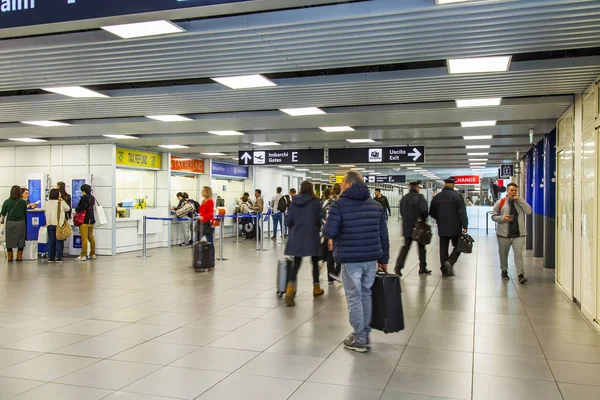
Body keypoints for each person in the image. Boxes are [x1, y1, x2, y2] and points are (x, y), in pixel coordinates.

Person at [323, 171, 389, 353]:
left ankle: (359, 338)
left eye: (343, 182)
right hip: (371, 258)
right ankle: (363, 333)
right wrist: (384, 259)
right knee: (365, 294)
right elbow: (383, 235)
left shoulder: (339, 206)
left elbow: (329, 232)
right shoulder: (376, 206)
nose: (341, 185)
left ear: (349, 184)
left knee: (353, 297)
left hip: (350, 258)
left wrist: (325, 224)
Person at [284, 181, 324, 306]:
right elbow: (320, 219)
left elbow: (289, 220)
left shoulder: (294, 202)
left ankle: (289, 290)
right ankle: (316, 288)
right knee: (314, 262)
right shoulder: (316, 202)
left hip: (297, 235)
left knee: (296, 263)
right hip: (312, 235)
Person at [491, 183, 532, 284]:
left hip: (519, 234)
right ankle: (504, 271)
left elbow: (529, 211)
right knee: (503, 254)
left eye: (515, 190)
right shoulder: (500, 202)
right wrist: (503, 218)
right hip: (503, 235)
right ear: (507, 191)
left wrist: (520, 200)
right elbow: (493, 216)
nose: (513, 192)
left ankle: (520, 275)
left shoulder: (520, 202)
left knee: (518, 254)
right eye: (511, 190)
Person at [429, 177, 468, 277]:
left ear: (445, 184)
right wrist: (465, 225)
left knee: (443, 249)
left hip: (442, 227)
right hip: (455, 227)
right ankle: (450, 262)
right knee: (458, 246)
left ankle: (445, 270)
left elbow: (431, 212)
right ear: (453, 185)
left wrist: (439, 219)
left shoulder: (437, 197)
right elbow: (462, 213)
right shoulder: (457, 196)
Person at [395, 181, 431, 276]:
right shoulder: (419, 197)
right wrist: (423, 219)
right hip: (418, 227)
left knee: (406, 246)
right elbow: (424, 211)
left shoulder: (404, 198)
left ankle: (398, 267)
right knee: (421, 247)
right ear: (416, 187)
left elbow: (402, 212)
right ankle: (422, 268)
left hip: (407, 226)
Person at [1, 185, 27, 262]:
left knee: (9, 239)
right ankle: (19, 257)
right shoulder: (23, 202)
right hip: (21, 223)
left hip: (10, 223)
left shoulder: (6, 201)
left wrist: (2, 221)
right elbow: (25, 213)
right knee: (21, 239)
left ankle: (10, 257)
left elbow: (3, 213)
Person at [322, 184, 342, 284]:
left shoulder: (326, 202)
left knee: (330, 254)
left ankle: (330, 277)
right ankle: (335, 272)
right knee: (340, 253)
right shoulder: (339, 203)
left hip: (327, 230)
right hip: (338, 232)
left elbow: (322, 216)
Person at [44, 189, 70, 263]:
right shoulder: (60, 203)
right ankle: (59, 257)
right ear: (58, 195)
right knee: (59, 241)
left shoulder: (47, 203)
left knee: (51, 241)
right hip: (58, 225)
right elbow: (67, 208)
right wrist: (62, 200)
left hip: (49, 224)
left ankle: (50, 257)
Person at [75, 184, 96, 261]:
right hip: (91, 220)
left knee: (84, 238)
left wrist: (77, 209)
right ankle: (93, 254)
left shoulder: (84, 198)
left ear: (83, 191)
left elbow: (82, 207)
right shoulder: (93, 198)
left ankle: (83, 255)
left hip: (84, 220)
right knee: (91, 237)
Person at [198, 186, 215, 266]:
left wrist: (203, 217)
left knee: (210, 242)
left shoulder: (210, 201)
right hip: (201, 223)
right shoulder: (203, 201)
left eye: (203, 191)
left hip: (208, 224)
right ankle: (199, 259)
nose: (202, 192)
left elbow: (210, 213)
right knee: (197, 240)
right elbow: (202, 211)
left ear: (207, 192)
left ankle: (211, 261)